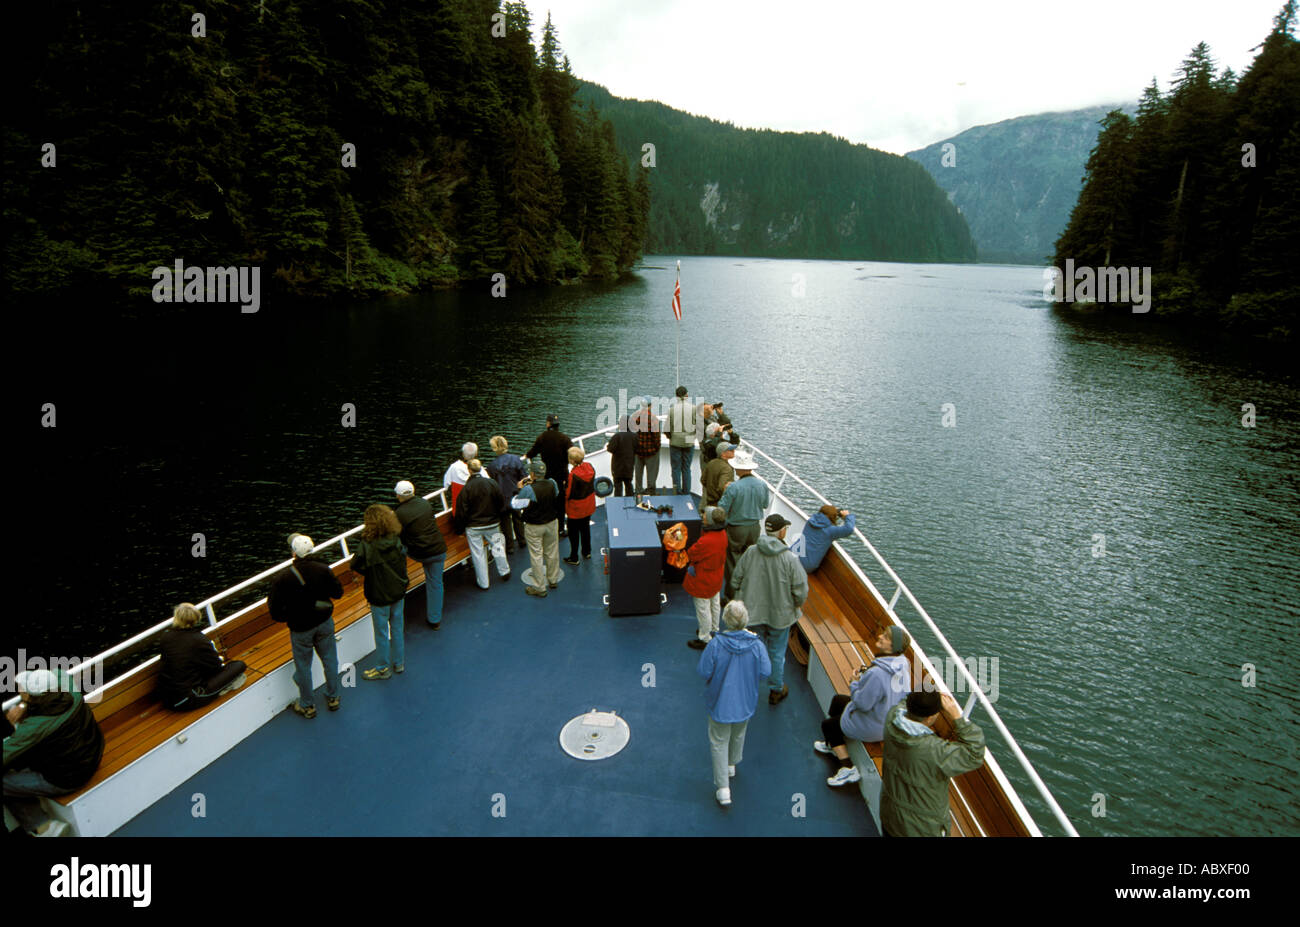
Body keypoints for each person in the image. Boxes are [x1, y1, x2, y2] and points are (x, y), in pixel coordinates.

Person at [3, 668, 104, 836]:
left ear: (30, 695)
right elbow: (58, 672)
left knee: (5, 781)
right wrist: (25, 704)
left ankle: (45, 828)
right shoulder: (71, 691)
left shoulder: (35, 725)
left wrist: (22, 706)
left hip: (68, 779)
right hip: (93, 756)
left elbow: (6, 754)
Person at [815, 626, 911, 787]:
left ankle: (847, 769)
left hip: (874, 727)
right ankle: (833, 744)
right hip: (886, 720)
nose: (880, 636)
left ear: (893, 647)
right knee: (838, 700)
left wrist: (854, 683)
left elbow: (862, 704)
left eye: (886, 637)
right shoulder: (903, 665)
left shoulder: (878, 674)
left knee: (828, 726)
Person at [880, 690, 986, 837]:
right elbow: (974, 754)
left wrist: (928, 697)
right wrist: (957, 717)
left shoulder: (892, 718)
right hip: (921, 828)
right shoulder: (934, 751)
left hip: (890, 816)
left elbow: (904, 703)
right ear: (930, 718)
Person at [697, 601, 771, 807]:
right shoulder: (757, 645)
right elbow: (766, 672)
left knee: (719, 741)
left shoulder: (716, 644)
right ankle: (731, 764)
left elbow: (703, 671)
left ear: (726, 620)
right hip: (745, 701)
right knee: (738, 733)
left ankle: (723, 788)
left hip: (720, 703)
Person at [731, 513, 808, 706]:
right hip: (780, 617)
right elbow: (800, 590)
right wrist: (796, 604)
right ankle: (776, 690)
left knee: (751, 650)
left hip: (752, 614)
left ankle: (747, 686)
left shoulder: (750, 552)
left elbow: (735, 579)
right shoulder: (790, 558)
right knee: (776, 653)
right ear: (781, 532)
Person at [269, 533, 344, 718]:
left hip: (300, 628)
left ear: (294, 553)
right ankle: (333, 697)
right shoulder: (323, 569)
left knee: (303, 666)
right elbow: (338, 593)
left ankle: (307, 705)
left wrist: (289, 617)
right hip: (324, 622)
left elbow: (275, 611)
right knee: (329, 660)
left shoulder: (283, 578)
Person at [350, 504, 410, 680]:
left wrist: (369, 571)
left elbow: (354, 564)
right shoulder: (395, 539)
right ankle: (399, 663)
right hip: (398, 591)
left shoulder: (367, 545)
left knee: (382, 633)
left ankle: (383, 668)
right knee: (398, 629)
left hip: (379, 595)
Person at [157, 603, 248, 710]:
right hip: (189, 699)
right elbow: (216, 667)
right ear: (196, 619)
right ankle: (222, 689)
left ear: (176, 618)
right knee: (238, 665)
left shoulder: (166, 637)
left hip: (167, 699)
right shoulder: (200, 640)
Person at [716, 448, 770, 601]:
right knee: (751, 560)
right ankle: (748, 595)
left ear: (739, 468)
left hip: (736, 528)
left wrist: (725, 491)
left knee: (733, 562)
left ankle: (730, 597)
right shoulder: (762, 485)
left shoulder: (734, 487)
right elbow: (765, 504)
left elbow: (722, 509)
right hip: (754, 527)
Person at [393, 480, 448, 629]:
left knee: (398, 550)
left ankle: (401, 579)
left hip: (420, 553)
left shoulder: (399, 513)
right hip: (438, 549)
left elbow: (398, 536)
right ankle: (434, 619)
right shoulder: (425, 504)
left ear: (399, 496)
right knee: (435, 583)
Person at [453, 459, 511, 590]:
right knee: (498, 546)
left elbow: (461, 512)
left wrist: (459, 530)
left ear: (469, 470)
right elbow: (500, 502)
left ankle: (484, 583)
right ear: (481, 469)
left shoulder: (466, 489)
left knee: (478, 554)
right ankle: (504, 571)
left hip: (474, 527)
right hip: (492, 523)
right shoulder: (492, 483)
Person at [512, 459, 562, 597]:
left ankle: (540, 588)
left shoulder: (528, 489)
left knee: (536, 555)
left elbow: (516, 504)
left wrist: (520, 489)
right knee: (552, 552)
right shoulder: (552, 483)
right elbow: (555, 494)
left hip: (534, 526)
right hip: (551, 523)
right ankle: (553, 580)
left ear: (533, 474)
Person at [684, 507, 728, 649]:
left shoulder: (707, 541)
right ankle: (714, 628)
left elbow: (692, 553)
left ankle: (704, 638)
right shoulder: (722, 535)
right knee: (714, 603)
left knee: (703, 608)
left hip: (704, 579)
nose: (702, 517)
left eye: (704, 516)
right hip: (716, 576)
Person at [527, 414, 573, 537]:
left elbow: (533, 452)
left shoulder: (542, 437)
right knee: (561, 501)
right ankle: (561, 528)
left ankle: (549, 526)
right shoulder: (565, 439)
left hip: (547, 475)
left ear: (548, 424)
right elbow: (572, 454)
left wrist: (527, 456)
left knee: (549, 500)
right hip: (562, 475)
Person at [486, 436, 528, 554]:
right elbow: (523, 477)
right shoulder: (516, 459)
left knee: (505, 523)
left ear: (494, 449)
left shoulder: (491, 466)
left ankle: (509, 546)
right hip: (515, 494)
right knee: (518, 518)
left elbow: (492, 484)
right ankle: (522, 540)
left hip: (502, 498)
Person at [798, 504, 857, 572]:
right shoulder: (830, 531)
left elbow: (823, 519)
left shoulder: (810, 521)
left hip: (792, 554)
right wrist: (847, 516)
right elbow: (849, 529)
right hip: (805, 565)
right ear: (832, 517)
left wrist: (833, 513)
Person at [563, 446, 596, 564]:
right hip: (589, 504)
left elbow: (568, 493)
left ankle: (574, 557)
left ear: (572, 461)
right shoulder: (590, 466)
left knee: (574, 533)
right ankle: (587, 552)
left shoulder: (573, 475)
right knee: (585, 528)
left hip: (576, 509)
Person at [666, 386, 699, 496]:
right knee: (686, 468)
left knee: (676, 468)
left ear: (676, 396)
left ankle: (676, 491)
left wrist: (672, 437)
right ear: (687, 395)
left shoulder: (672, 409)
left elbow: (666, 429)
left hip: (675, 440)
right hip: (689, 441)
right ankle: (686, 493)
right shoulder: (694, 408)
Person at [629, 397, 661, 495]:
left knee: (638, 473)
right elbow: (656, 437)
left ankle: (638, 491)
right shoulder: (653, 419)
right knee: (651, 473)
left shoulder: (634, 417)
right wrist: (656, 448)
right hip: (651, 451)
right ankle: (651, 491)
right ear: (650, 406)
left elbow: (632, 433)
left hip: (638, 451)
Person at [604, 416, 636, 497]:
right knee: (628, 484)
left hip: (617, 466)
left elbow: (610, 449)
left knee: (618, 486)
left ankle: (618, 504)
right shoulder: (634, 436)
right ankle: (630, 501)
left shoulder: (617, 436)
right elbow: (637, 449)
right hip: (629, 465)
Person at [442, 442, 477, 512]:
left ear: (463, 454)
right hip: (476, 512)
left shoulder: (453, 467)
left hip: (458, 511)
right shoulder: (480, 470)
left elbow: (446, 485)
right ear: (476, 454)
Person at [702, 441, 737, 507]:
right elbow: (722, 487)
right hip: (719, 503)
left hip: (710, 500)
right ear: (723, 454)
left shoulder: (711, 462)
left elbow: (703, 480)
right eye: (731, 450)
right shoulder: (727, 468)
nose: (734, 451)